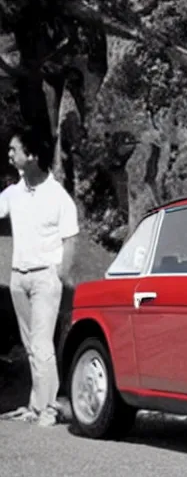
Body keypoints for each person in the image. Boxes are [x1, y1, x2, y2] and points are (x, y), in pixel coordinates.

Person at [0, 127, 79, 426]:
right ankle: (35, 406)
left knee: (43, 345)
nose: (9, 154)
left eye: (14, 149)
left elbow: (71, 238)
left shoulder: (57, 196)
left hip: (45, 278)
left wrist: (60, 274)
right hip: (18, 279)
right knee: (31, 344)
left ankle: (48, 408)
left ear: (31, 156)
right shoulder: (14, 193)